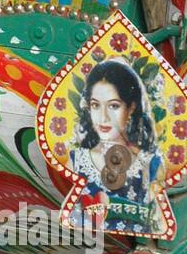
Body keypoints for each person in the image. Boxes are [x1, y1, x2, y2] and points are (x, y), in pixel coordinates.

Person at [69, 58, 164, 235]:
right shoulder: (77, 161)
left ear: (131, 107)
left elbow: (160, 225)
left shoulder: (150, 163)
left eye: (113, 106)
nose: (103, 117)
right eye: (96, 105)